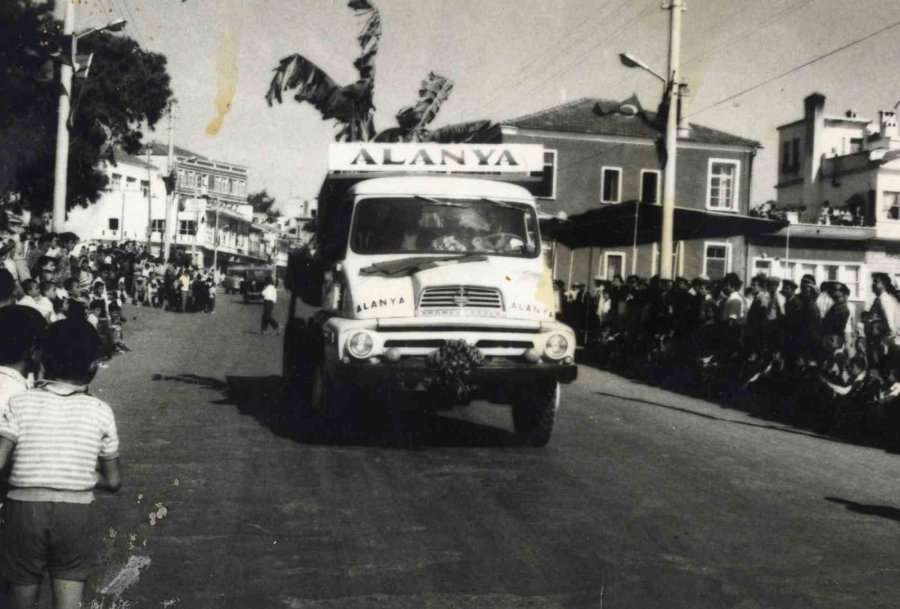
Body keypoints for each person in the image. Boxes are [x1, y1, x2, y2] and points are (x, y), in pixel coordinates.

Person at [0, 319, 121, 609]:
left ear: (41, 357)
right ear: (94, 365)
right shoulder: (101, 411)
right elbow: (114, 481)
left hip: (23, 510)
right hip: (75, 512)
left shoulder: (20, 403)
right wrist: (76, 473)